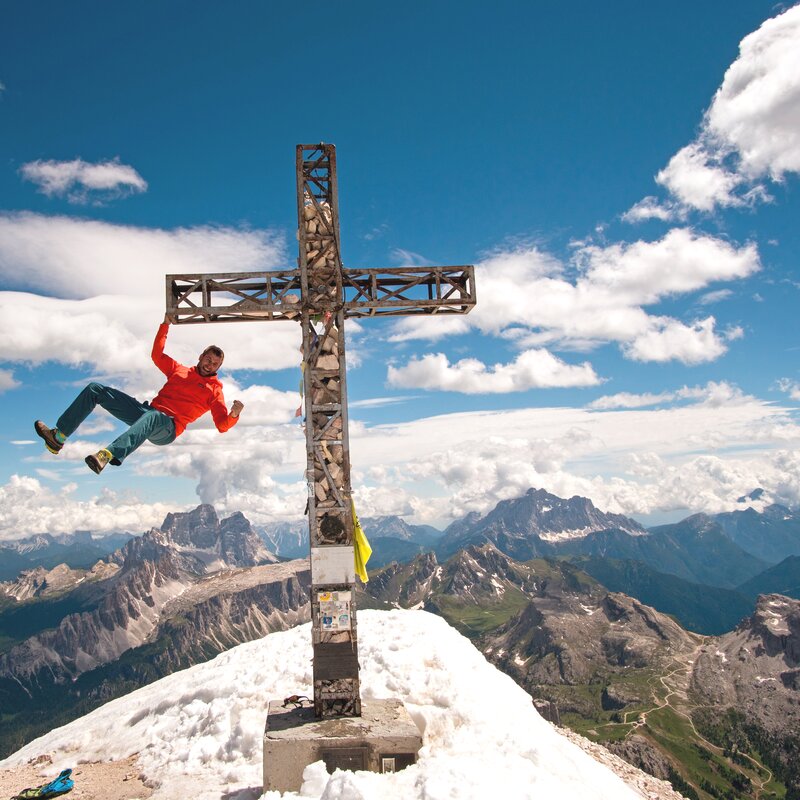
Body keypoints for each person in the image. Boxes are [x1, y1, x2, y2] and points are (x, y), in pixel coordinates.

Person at [34, 315, 244, 474]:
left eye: (215, 364)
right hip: (146, 413)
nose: (210, 365)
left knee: (155, 416)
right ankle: (58, 437)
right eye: (208, 359)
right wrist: (165, 325)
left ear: (219, 367)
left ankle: (108, 454)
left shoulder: (215, 391)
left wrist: (234, 414)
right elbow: (157, 355)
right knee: (95, 390)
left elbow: (222, 425)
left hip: (168, 428)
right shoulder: (179, 370)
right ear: (201, 356)